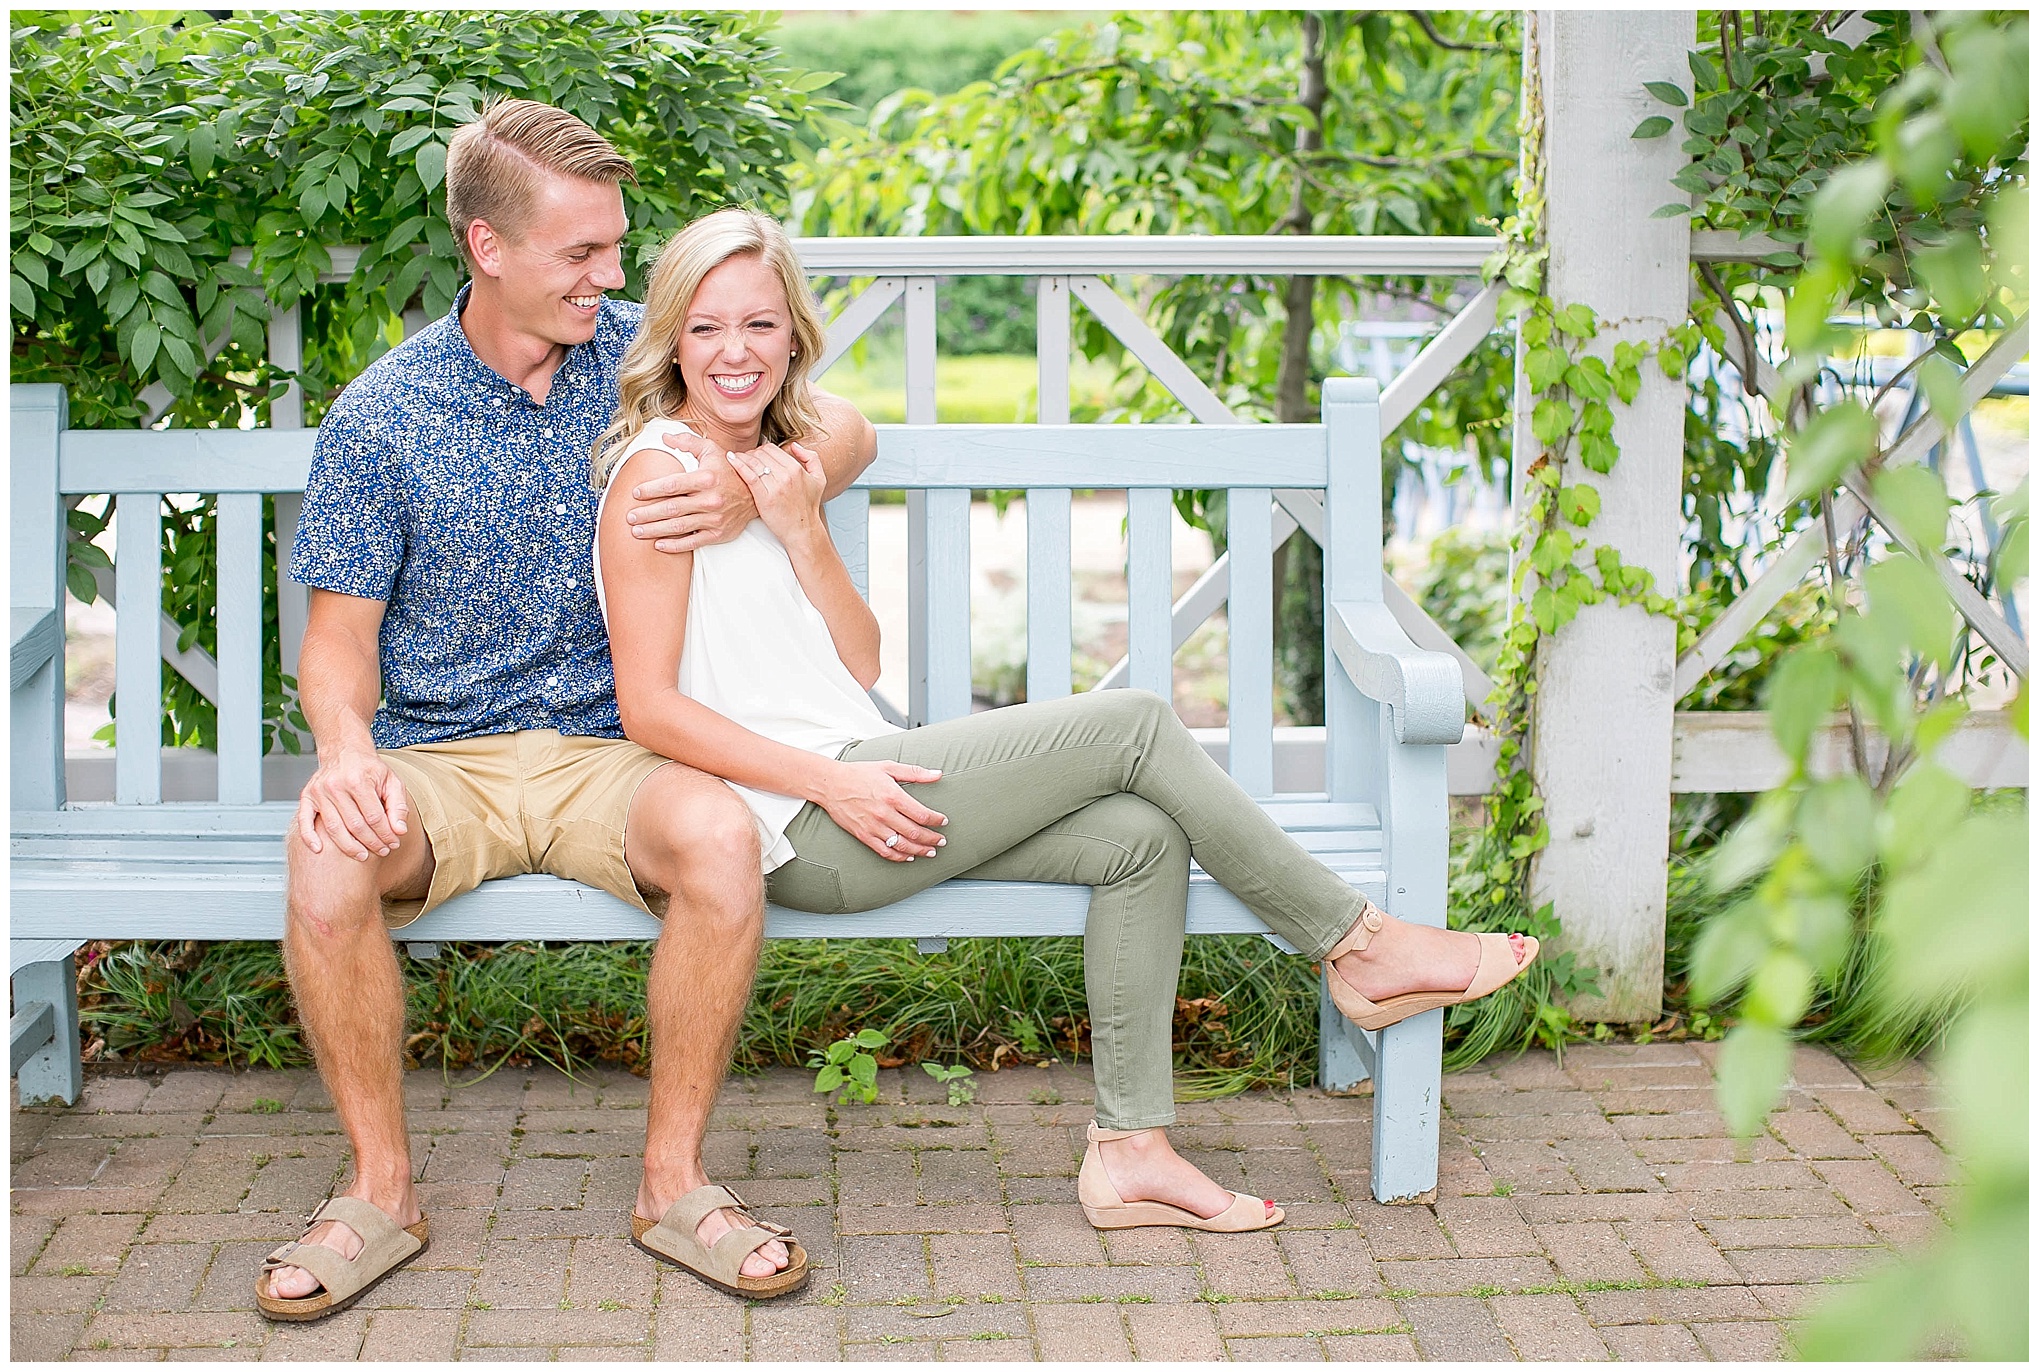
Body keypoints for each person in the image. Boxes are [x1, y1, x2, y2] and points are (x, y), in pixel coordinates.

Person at [593, 207, 1539, 1241]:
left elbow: (857, 659)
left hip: (856, 773)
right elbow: (649, 708)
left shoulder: (778, 465)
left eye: (761, 326)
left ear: (794, 336)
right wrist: (829, 783)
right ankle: (1356, 942)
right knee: (1130, 722)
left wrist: (796, 518)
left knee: (1139, 840)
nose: (736, 353)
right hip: (795, 814)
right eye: (707, 327)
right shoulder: (658, 475)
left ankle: (1131, 1152)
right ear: (672, 339)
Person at [257, 101, 866, 1320]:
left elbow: (838, 422)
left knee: (718, 839)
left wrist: (756, 494)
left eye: (616, 248)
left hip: (618, 747)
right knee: (324, 856)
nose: (611, 276)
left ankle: (673, 1184)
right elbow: (337, 640)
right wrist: (343, 752)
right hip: (447, 760)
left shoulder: (642, 356)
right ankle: (380, 1193)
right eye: (581, 253)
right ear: (487, 248)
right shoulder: (384, 414)